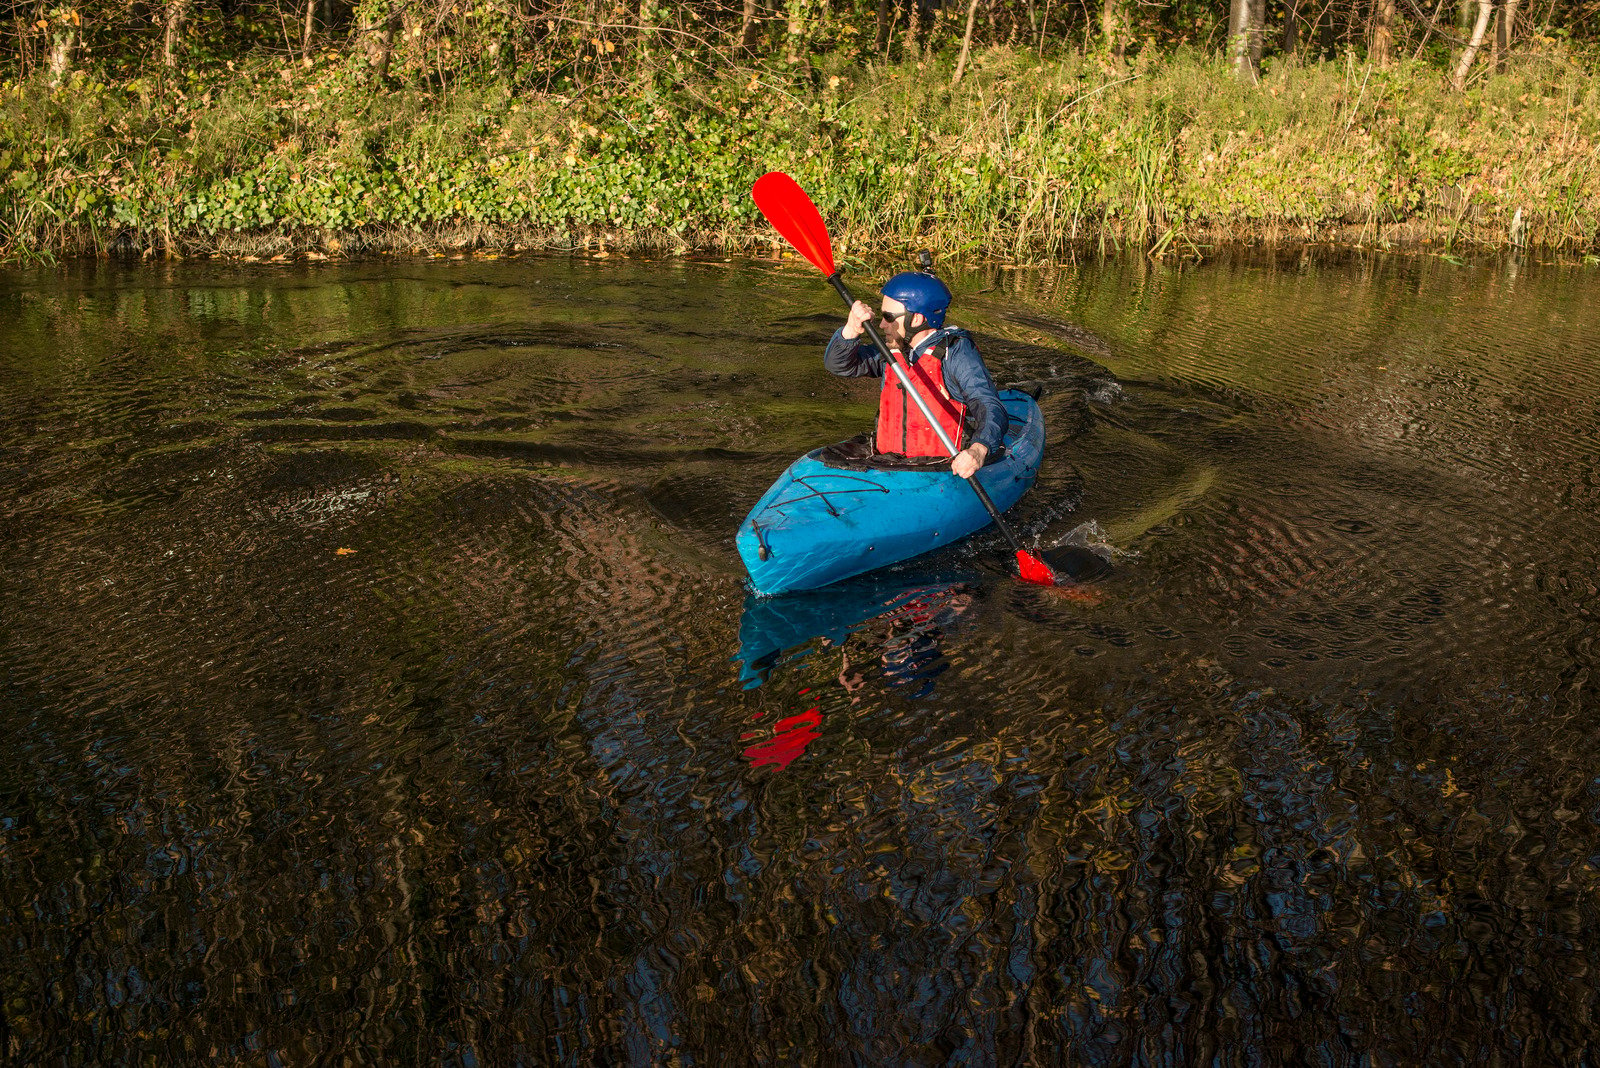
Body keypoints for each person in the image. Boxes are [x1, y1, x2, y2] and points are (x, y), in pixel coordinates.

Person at [822, 270, 1005, 480]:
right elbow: (838, 365)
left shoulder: (955, 353)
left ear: (916, 319)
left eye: (888, 317)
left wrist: (978, 450)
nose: (881, 324)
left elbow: (988, 404)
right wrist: (852, 328)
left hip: (943, 466)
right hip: (890, 461)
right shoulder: (892, 350)